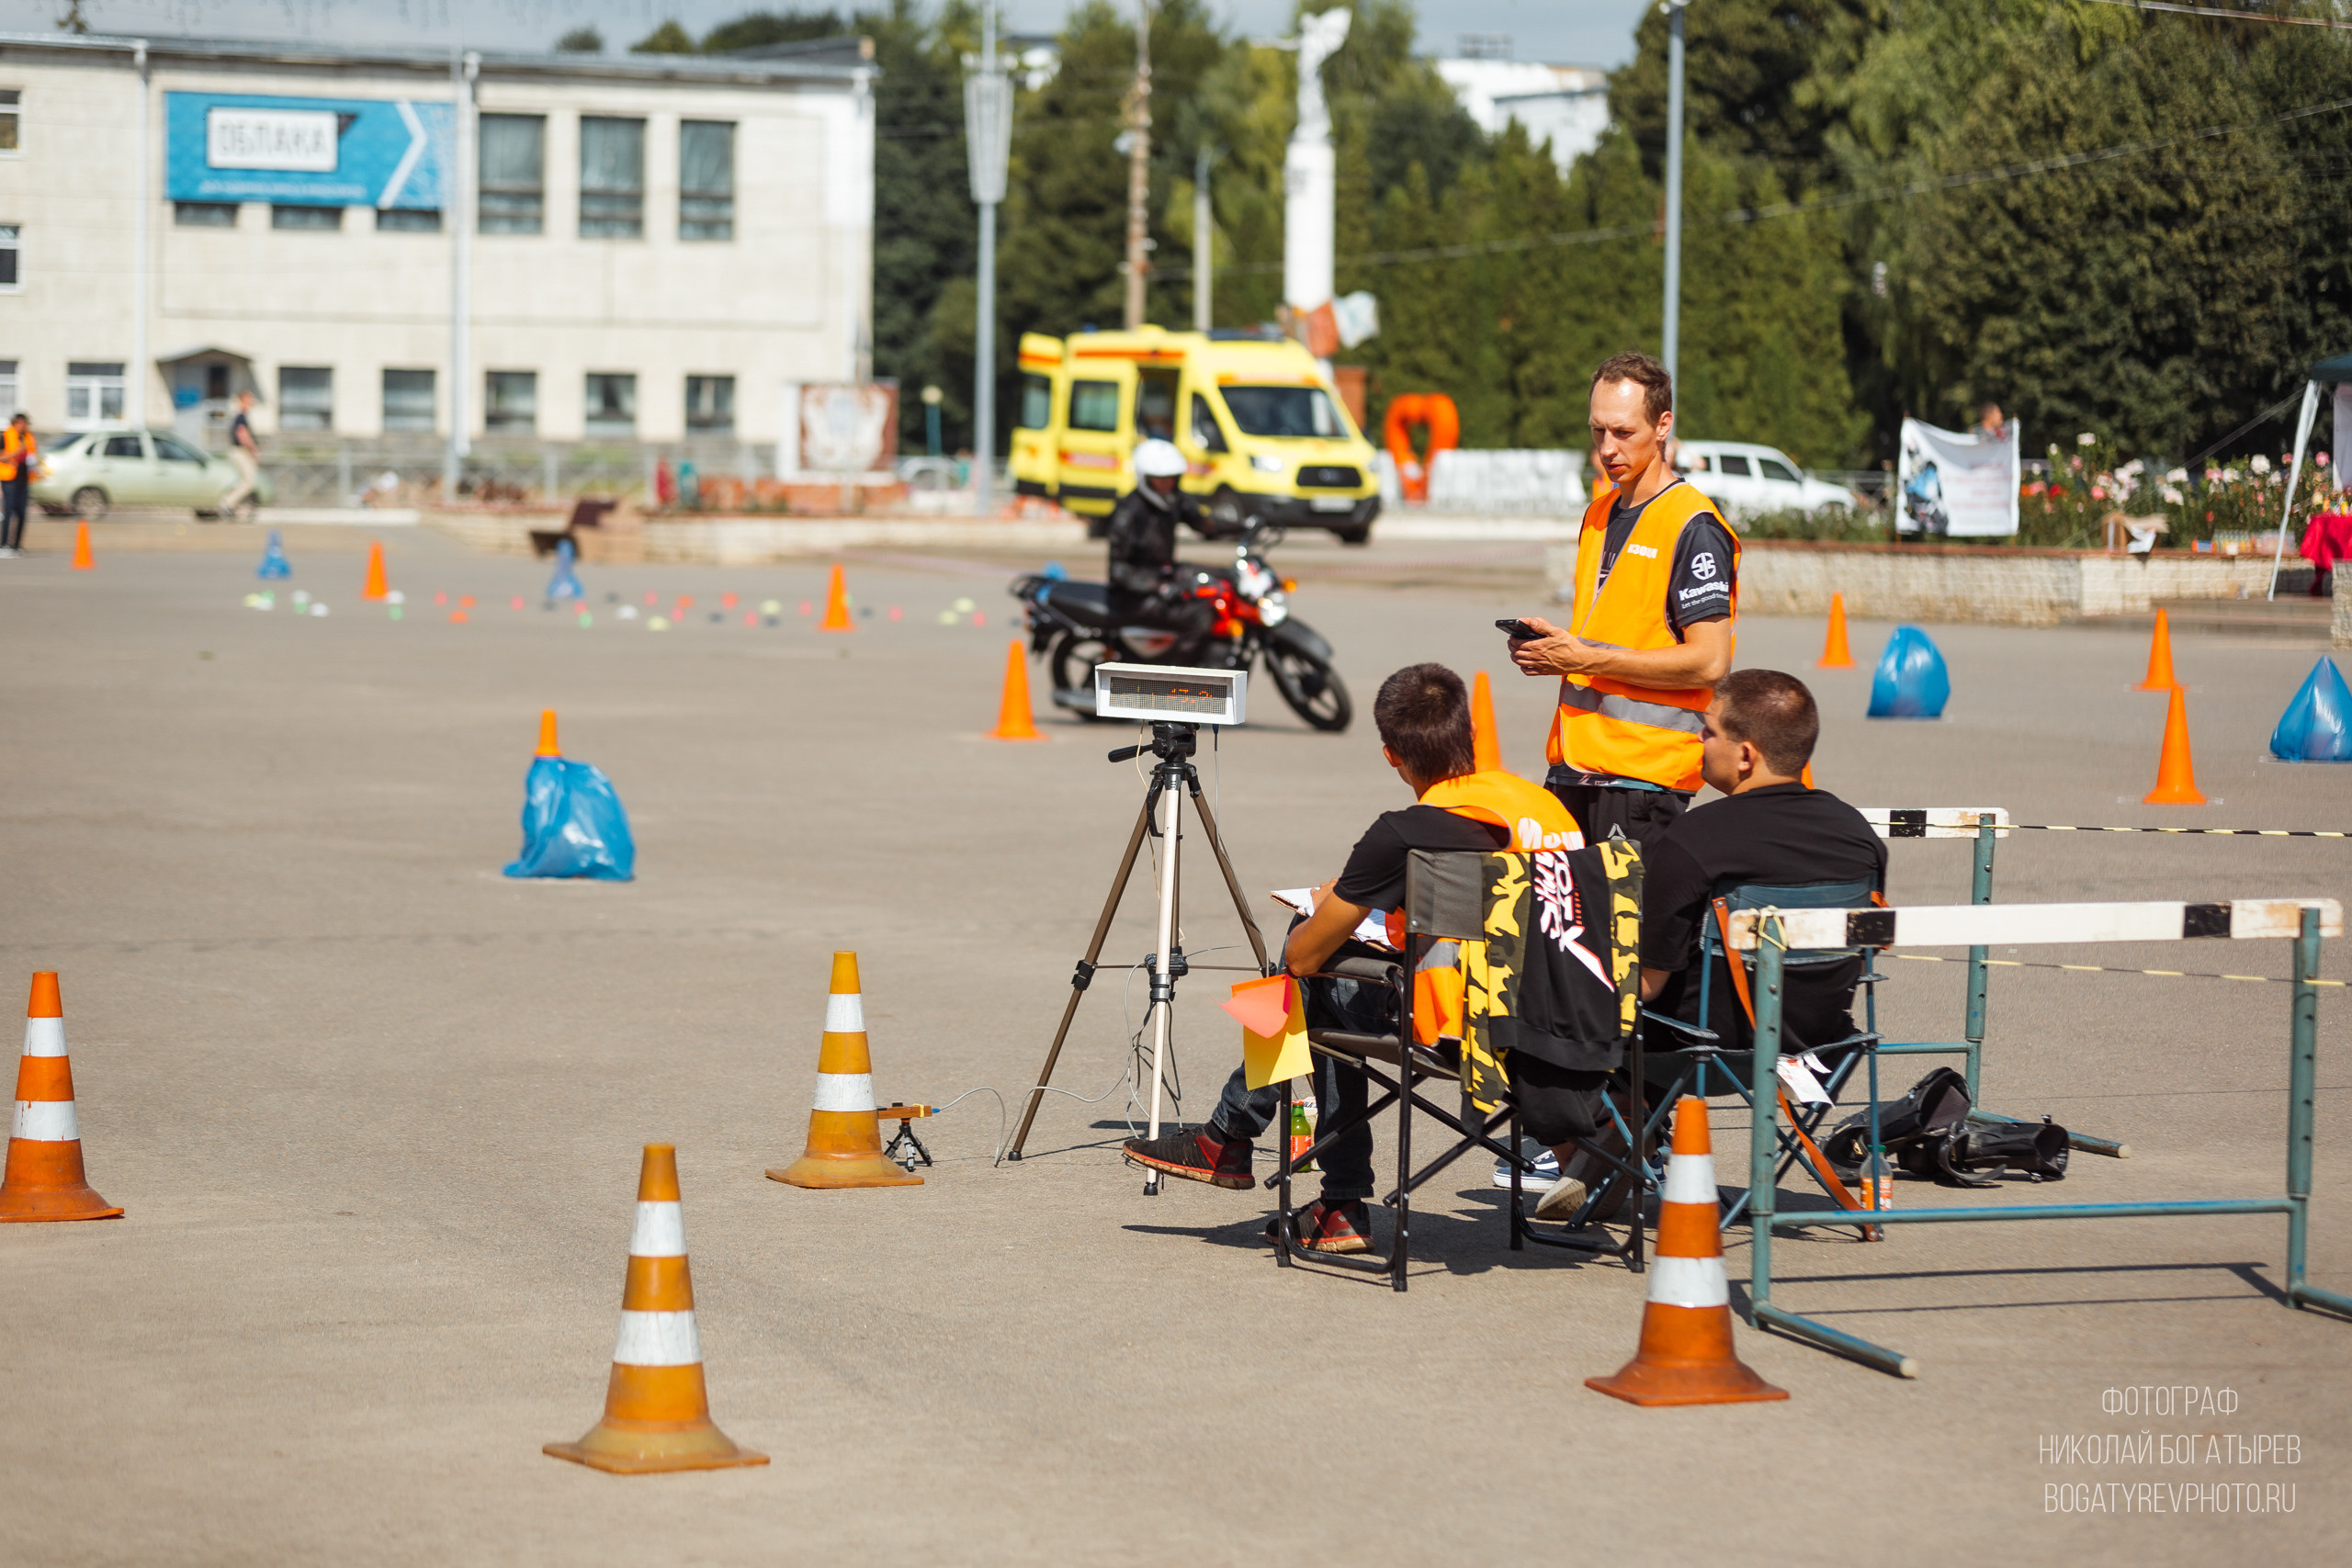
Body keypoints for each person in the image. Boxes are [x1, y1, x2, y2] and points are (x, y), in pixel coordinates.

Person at [1120, 662, 1615, 1252]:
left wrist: (1332, 904)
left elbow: (1304, 957)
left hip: (1463, 1028)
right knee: (1318, 979)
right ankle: (1259, 1155)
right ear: (1471, 734)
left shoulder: (1406, 832)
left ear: (1391, 755)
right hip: (1568, 1017)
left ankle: (1280, 1164)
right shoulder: (1545, 808)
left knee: (1304, 973)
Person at [1507, 352, 1736, 855]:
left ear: (1663, 425)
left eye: (1623, 432)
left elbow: (1710, 661)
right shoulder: (1599, 514)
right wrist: (1552, 651)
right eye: (1597, 432)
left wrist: (1584, 658)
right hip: (1575, 766)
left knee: (1627, 933)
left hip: (1643, 780)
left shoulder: (1694, 526)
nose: (1607, 448)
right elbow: (1614, 628)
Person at [1638, 670, 1885, 1054]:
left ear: (1746, 755)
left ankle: (1606, 1110)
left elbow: (1646, 986)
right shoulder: (1858, 834)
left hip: (1709, 1043)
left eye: (1709, 731)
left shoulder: (1695, 835)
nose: (1699, 740)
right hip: (1823, 1037)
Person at [1104, 437, 1216, 655]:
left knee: (1217, 583)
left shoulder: (1173, 500)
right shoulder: (1128, 513)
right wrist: (1157, 587)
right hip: (1134, 595)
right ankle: (1176, 677)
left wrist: (1246, 525)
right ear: (1145, 478)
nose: (1167, 484)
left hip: (1163, 575)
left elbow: (1204, 524)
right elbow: (1118, 570)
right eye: (1160, 479)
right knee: (1200, 616)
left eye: (1171, 479)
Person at [0, 412, 36, 557]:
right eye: (24, 423)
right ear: (18, 422)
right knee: (9, 511)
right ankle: (3, 545)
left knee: (21, 512)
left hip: (24, 479)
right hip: (9, 479)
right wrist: (15, 453)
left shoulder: (28, 437)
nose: (26, 426)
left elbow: (32, 456)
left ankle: (16, 545)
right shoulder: (5, 436)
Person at [221, 389, 261, 519]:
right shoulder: (241, 416)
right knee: (249, 481)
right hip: (240, 451)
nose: (252, 401)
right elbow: (242, 434)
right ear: (243, 400)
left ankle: (236, 507)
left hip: (239, 451)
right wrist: (253, 450)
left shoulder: (241, 416)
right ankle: (228, 503)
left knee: (245, 481)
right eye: (249, 398)